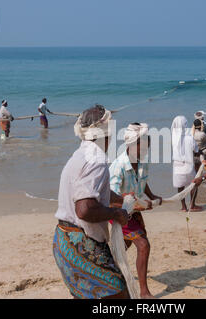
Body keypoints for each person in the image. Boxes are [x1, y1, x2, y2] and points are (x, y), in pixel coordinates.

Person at [53, 104, 130, 299]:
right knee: (119, 294)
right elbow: (85, 209)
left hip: (63, 240)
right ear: (107, 131)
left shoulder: (79, 155)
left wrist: (122, 201)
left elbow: (94, 192)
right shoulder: (97, 160)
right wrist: (116, 214)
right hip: (83, 244)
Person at [109, 123, 162, 299]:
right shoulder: (118, 166)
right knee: (143, 245)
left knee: (126, 244)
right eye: (144, 143)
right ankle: (144, 292)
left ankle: (109, 266)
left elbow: (142, 181)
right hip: (120, 212)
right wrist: (129, 199)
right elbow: (111, 198)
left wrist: (152, 195)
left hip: (134, 210)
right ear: (131, 145)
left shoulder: (142, 162)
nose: (147, 146)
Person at [171, 116, 200, 212]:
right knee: (193, 185)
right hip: (189, 165)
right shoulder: (189, 138)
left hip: (177, 166)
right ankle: (192, 205)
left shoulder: (173, 138)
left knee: (180, 186)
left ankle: (183, 207)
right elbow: (196, 151)